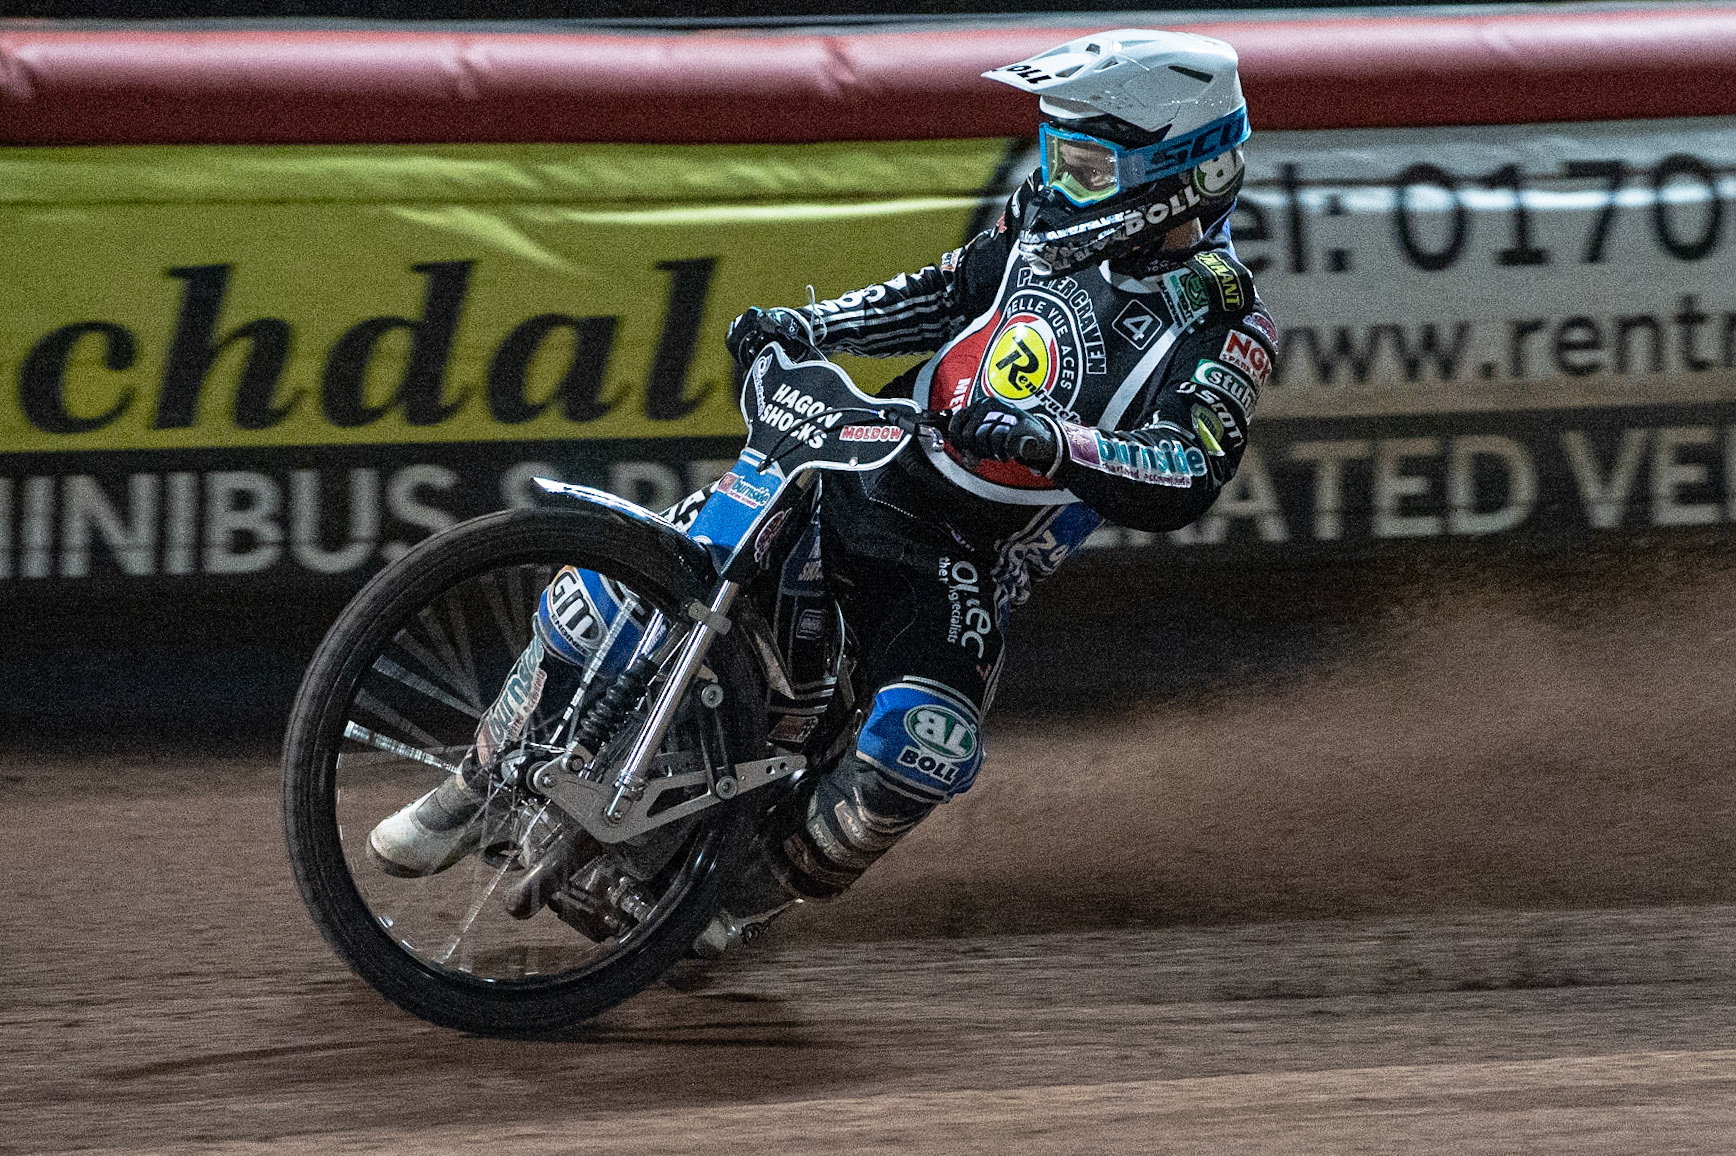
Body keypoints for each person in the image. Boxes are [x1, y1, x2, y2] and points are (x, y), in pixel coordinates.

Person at [368, 28, 1277, 953]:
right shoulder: (1041, 221)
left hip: (960, 556)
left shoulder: (1226, 323)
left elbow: (1187, 470)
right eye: (1056, 153)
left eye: (1087, 163)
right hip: (860, 457)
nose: (1059, 179)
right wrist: (811, 325)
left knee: (923, 743)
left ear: (1180, 171)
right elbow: (943, 292)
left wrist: (1054, 440)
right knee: (623, 580)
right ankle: (476, 783)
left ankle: (734, 903)